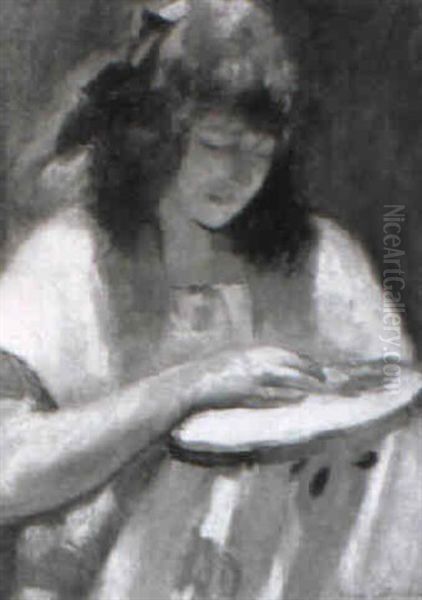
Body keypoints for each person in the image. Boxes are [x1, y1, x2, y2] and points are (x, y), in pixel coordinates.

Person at [0, 1, 421, 599]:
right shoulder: (68, 260)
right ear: (157, 138)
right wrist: (189, 387)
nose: (239, 174)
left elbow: (399, 443)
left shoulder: (322, 258)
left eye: (259, 151)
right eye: (216, 145)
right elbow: (7, 473)